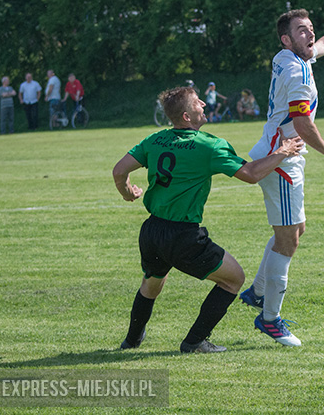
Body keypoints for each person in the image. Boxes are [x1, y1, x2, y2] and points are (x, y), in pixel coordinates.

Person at [112, 86, 304, 353]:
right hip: (183, 236)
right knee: (234, 279)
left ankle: (131, 340)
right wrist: (282, 151)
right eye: (197, 101)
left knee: (152, 284)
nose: (203, 103)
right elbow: (250, 174)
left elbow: (119, 170)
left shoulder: (154, 140)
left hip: (152, 231)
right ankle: (194, 342)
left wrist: (127, 193)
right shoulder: (209, 146)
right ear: (187, 116)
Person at [240, 9, 324, 347]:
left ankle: (258, 292)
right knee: (289, 240)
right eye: (302, 31)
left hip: (276, 150)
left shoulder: (287, 56)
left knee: (295, 229)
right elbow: (303, 125)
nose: (310, 35)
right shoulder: (297, 71)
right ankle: (270, 319)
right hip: (281, 159)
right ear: (287, 39)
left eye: (310, 29)